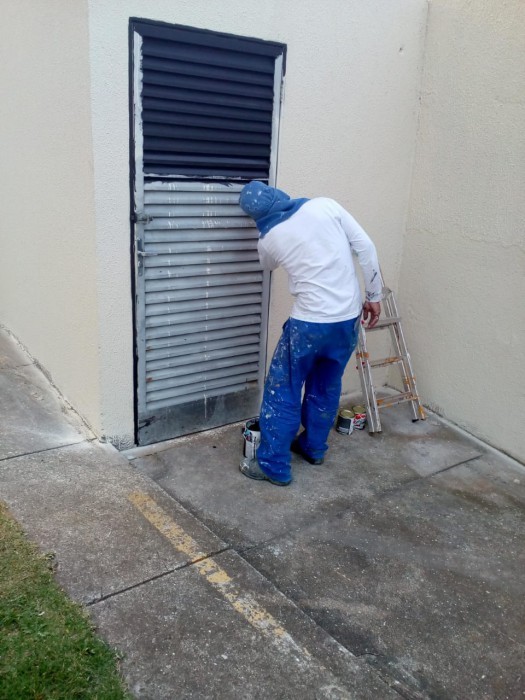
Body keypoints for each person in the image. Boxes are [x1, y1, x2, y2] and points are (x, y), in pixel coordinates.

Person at [238, 181, 382, 486]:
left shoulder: (269, 238)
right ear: (277, 195)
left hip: (308, 324)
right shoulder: (325, 205)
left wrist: (267, 234)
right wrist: (374, 295)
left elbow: (267, 264)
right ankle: (314, 448)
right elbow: (366, 247)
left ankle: (274, 466)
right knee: (326, 384)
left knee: (284, 388)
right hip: (347, 319)